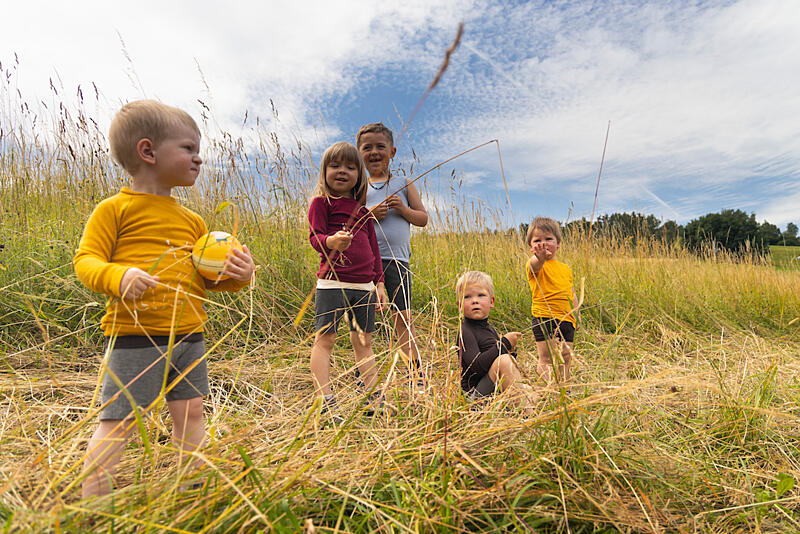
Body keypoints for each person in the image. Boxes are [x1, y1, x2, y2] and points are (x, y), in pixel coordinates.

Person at [74, 100, 255, 498]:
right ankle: (92, 505)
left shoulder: (193, 222)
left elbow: (205, 281)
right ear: (148, 152)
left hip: (189, 335)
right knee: (120, 420)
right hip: (135, 336)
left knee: (191, 411)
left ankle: (190, 488)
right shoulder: (115, 210)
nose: (199, 158)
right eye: (188, 148)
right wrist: (118, 276)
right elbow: (86, 261)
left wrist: (237, 278)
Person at [308, 141, 389, 418]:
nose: (342, 171)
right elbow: (315, 238)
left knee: (364, 344)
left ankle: (373, 398)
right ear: (325, 171)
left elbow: (375, 251)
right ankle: (325, 400)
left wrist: (379, 284)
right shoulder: (322, 204)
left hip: (364, 287)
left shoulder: (364, 212)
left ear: (359, 175)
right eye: (335, 165)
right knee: (325, 340)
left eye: (350, 167)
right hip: (333, 284)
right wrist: (331, 241)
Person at [357, 123, 428, 388]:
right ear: (359, 153)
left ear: (392, 151)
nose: (374, 152)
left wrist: (404, 210)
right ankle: (365, 378)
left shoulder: (403, 183)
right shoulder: (359, 188)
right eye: (367, 148)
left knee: (403, 319)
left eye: (380, 147)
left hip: (397, 261)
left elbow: (422, 219)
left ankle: (415, 375)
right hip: (365, 263)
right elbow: (349, 223)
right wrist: (369, 214)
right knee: (364, 322)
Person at [457, 271, 534, 407]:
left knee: (529, 390)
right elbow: (475, 366)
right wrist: (504, 344)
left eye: (481, 295)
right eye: (467, 297)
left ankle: (523, 405)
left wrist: (511, 351)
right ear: (459, 305)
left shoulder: (490, 329)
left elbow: (503, 365)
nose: (475, 300)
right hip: (474, 396)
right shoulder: (465, 331)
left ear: (491, 301)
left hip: (492, 390)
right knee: (504, 361)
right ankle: (527, 417)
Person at [525, 217, 580, 382]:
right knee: (547, 359)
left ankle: (563, 389)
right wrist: (539, 257)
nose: (543, 243)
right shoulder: (534, 265)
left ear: (558, 243)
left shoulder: (565, 269)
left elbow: (571, 293)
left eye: (548, 239)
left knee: (565, 357)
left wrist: (576, 316)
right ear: (531, 247)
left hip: (566, 319)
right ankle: (546, 391)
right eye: (537, 241)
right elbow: (535, 265)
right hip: (544, 318)